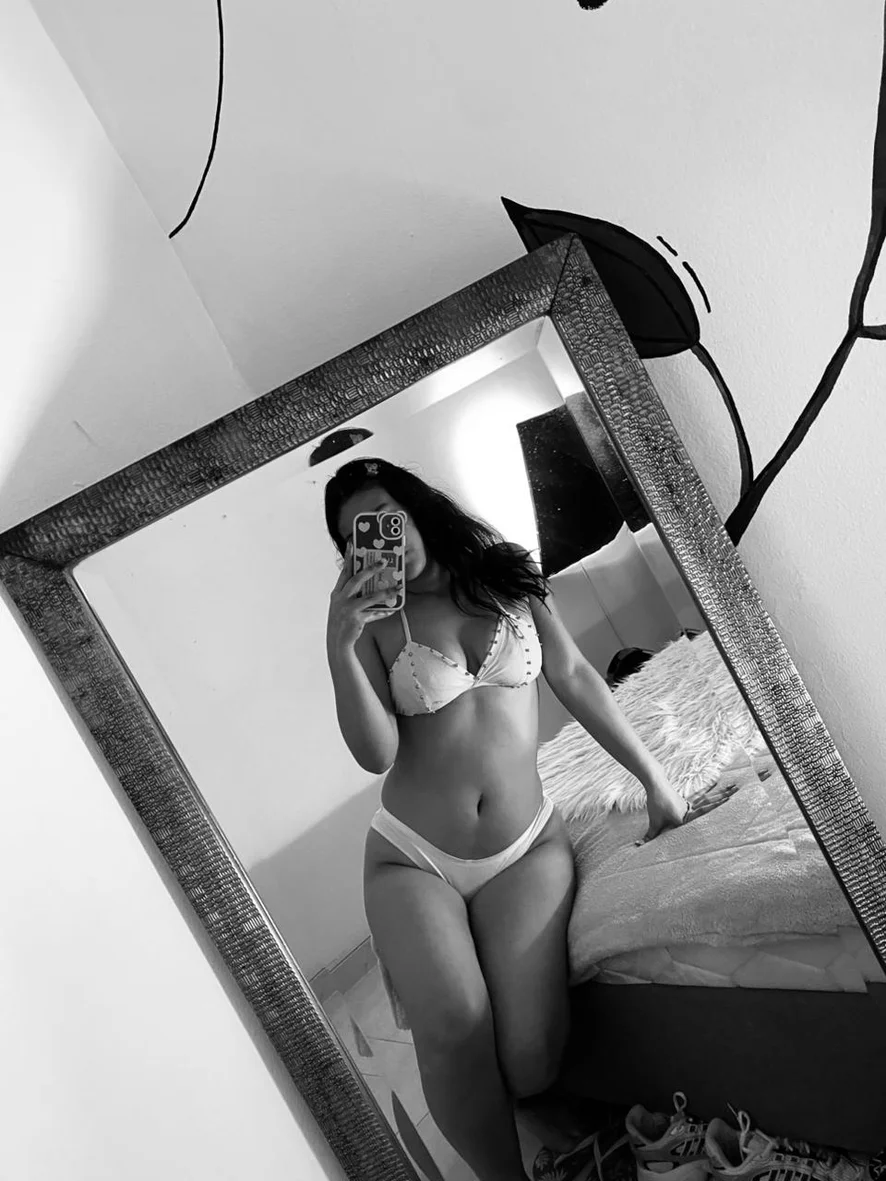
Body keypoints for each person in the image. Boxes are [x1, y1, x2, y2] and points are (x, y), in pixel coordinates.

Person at [324, 457, 691, 1181]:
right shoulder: (373, 626)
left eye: (389, 517)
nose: (383, 539)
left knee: (529, 1065)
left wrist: (655, 780)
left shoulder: (507, 574)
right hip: (413, 859)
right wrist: (339, 645)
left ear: (419, 508)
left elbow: (575, 675)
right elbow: (376, 754)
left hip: (525, 848)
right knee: (456, 1021)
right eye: (359, 535)